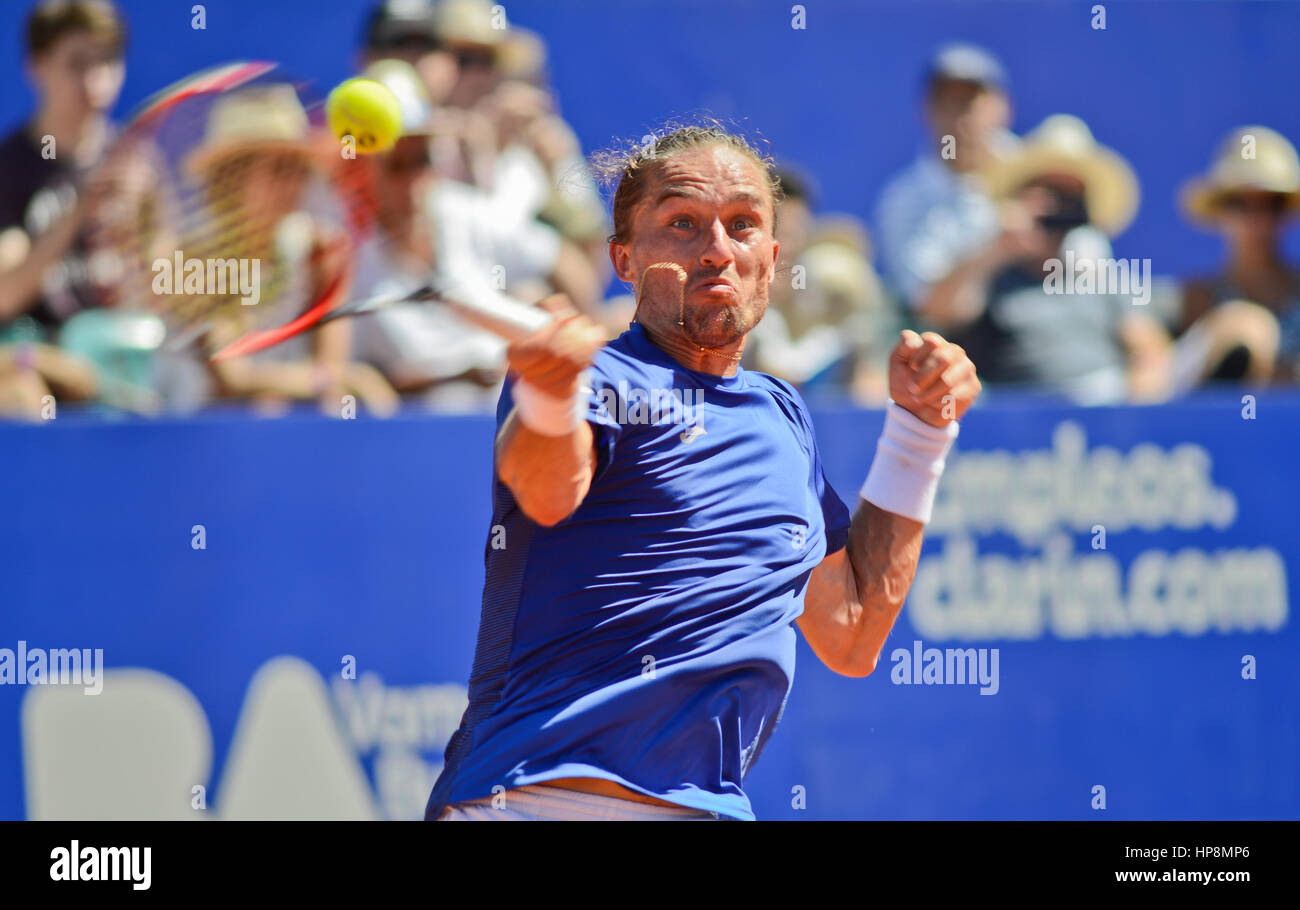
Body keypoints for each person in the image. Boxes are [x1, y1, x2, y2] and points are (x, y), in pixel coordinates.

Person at [426, 124, 980, 821]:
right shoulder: (596, 375)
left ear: (772, 258)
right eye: (682, 223)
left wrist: (920, 432)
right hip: (536, 799)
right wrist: (546, 393)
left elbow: (850, 630)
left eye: (743, 225)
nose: (718, 249)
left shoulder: (783, 417)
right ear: (623, 258)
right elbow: (545, 490)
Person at [950, 114, 1170, 403]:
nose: (1056, 208)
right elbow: (943, 311)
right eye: (1047, 194)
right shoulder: (991, 279)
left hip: (1106, 408)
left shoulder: (1103, 275)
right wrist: (998, 248)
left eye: (1069, 199)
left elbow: (1149, 349)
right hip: (1022, 425)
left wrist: (1130, 415)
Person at [874, 43, 1020, 323]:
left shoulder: (1043, 172)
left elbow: (1091, 265)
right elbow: (926, 305)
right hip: (968, 351)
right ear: (926, 111)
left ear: (1003, 108)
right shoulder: (902, 200)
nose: (961, 117)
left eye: (971, 102)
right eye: (948, 103)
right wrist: (997, 248)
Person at [1175, 125, 1300, 384]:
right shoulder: (1197, 300)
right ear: (1219, 210)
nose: (1257, 220)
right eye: (1240, 203)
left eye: (1271, 204)